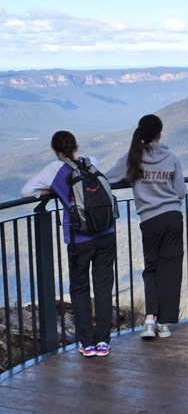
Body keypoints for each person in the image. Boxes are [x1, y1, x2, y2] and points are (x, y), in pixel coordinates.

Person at [21, 131, 116, 357]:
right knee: (103, 287)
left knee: (80, 289)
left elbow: (26, 191)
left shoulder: (54, 170)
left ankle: (87, 343)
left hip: (79, 239)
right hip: (106, 234)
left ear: (55, 151)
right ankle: (103, 341)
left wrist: (50, 190)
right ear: (76, 146)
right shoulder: (91, 162)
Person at [105, 114, 186, 339]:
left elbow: (108, 178)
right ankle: (165, 323)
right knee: (170, 270)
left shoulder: (132, 157)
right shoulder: (172, 157)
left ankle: (150, 321)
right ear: (159, 134)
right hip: (172, 217)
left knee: (151, 269)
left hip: (150, 220)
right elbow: (180, 192)